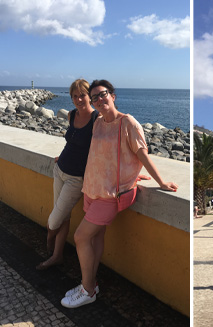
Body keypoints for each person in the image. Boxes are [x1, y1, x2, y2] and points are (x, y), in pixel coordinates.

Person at [61, 79, 178, 308]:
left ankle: (87, 290)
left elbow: (142, 155)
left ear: (112, 96)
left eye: (102, 94)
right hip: (92, 188)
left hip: (110, 194)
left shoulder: (128, 123)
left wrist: (161, 181)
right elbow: (102, 155)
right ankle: (90, 282)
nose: (99, 100)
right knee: (95, 237)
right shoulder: (98, 123)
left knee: (80, 237)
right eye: (94, 98)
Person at [37, 79, 99, 270]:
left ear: (90, 96)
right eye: (75, 96)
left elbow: (105, 148)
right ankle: (57, 256)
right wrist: (61, 156)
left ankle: (49, 241)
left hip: (76, 179)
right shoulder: (72, 115)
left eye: (82, 95)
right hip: (60, 169)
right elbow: (71, 141)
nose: (79, 99)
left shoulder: (97, 119)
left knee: (53, 222)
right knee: (63, 217)